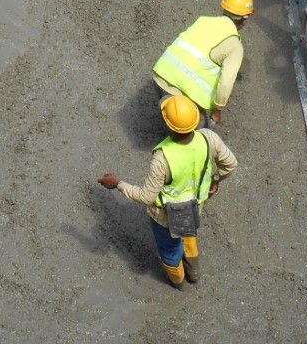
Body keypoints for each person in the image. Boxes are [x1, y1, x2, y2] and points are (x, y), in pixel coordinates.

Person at [98, 95, 237, 288]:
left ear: (169, 125)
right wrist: (215, 181)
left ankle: (177, 280)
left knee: (170, 250)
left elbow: (146, 196)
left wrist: (118, 184)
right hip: (196, 206)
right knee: (189, 234)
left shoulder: (162, 159)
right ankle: (194, 274)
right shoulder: (209, 138)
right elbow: (230, 164)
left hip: (166, 217)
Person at [152, 0, 253, 126]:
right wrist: (217, 110)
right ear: (245, 19)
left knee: (174, 117)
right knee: (200, 134)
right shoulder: (235, 46)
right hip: (182, 94)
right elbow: (226, 82)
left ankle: (169, 116)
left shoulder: (203, 20)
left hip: (160, 78)